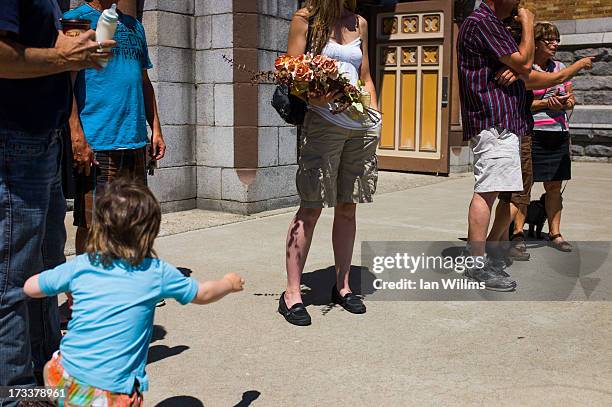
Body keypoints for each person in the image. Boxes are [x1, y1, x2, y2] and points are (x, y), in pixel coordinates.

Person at [23, 179, 244, 406]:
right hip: (111, 394)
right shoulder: (155, 272)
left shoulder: (83, 265)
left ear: (99, 227)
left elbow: (31, 287)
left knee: (51, 367)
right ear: (151, 231)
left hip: (64, 378)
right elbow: (203, 293)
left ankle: (23, 396)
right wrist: (228, 283)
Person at [0, 0, 114, 394]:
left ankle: (49, 375)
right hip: (15, 140)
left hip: (44, 142)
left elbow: (51, 58)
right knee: (13, 282)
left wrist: (72, 56)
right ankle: (17, 394)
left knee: (47, 269)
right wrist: (62, 55)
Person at [279, 0, 380, 325]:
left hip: (359, 128)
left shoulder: (359, 23)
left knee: (348, 206)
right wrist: (316, 95)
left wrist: (374, 116)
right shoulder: (305, 20)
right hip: (323, 124)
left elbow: (364, 76)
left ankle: (343, 285)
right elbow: (291, 74)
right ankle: (292, 293)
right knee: (311, 206)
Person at [64, 0, 165, 258]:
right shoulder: (77, 22)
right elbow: (66, 84)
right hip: (97, 142)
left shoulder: (134, 27)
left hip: (134, 141)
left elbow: (143, 81)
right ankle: (85, 289)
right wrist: (76, 135)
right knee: (93, 223)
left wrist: (155, 128)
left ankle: (129, 283)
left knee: (133, 217)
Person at [486, 22, 593, 258]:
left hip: (558, 133)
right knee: (524, 188)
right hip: (532, 133)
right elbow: (521, 104)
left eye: (557, 40)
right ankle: (517, 233)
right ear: (536, 43)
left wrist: (567, 102)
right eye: (550, 40)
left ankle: (555, 233)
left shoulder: (560, 66)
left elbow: (571, 97)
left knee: (554, 186)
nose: (555, 44)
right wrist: (546, 103)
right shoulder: (524, 68)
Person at [457, 0, 534, 291]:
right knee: (486, 192)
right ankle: (477, 264)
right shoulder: (483, 21)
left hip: (501, 121)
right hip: (493, 120)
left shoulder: (489, 22)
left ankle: (478, 258)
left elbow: (520, 64)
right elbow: (525, 62)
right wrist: (528, 22)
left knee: (493, 190)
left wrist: (517, 68)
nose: (518, 2)